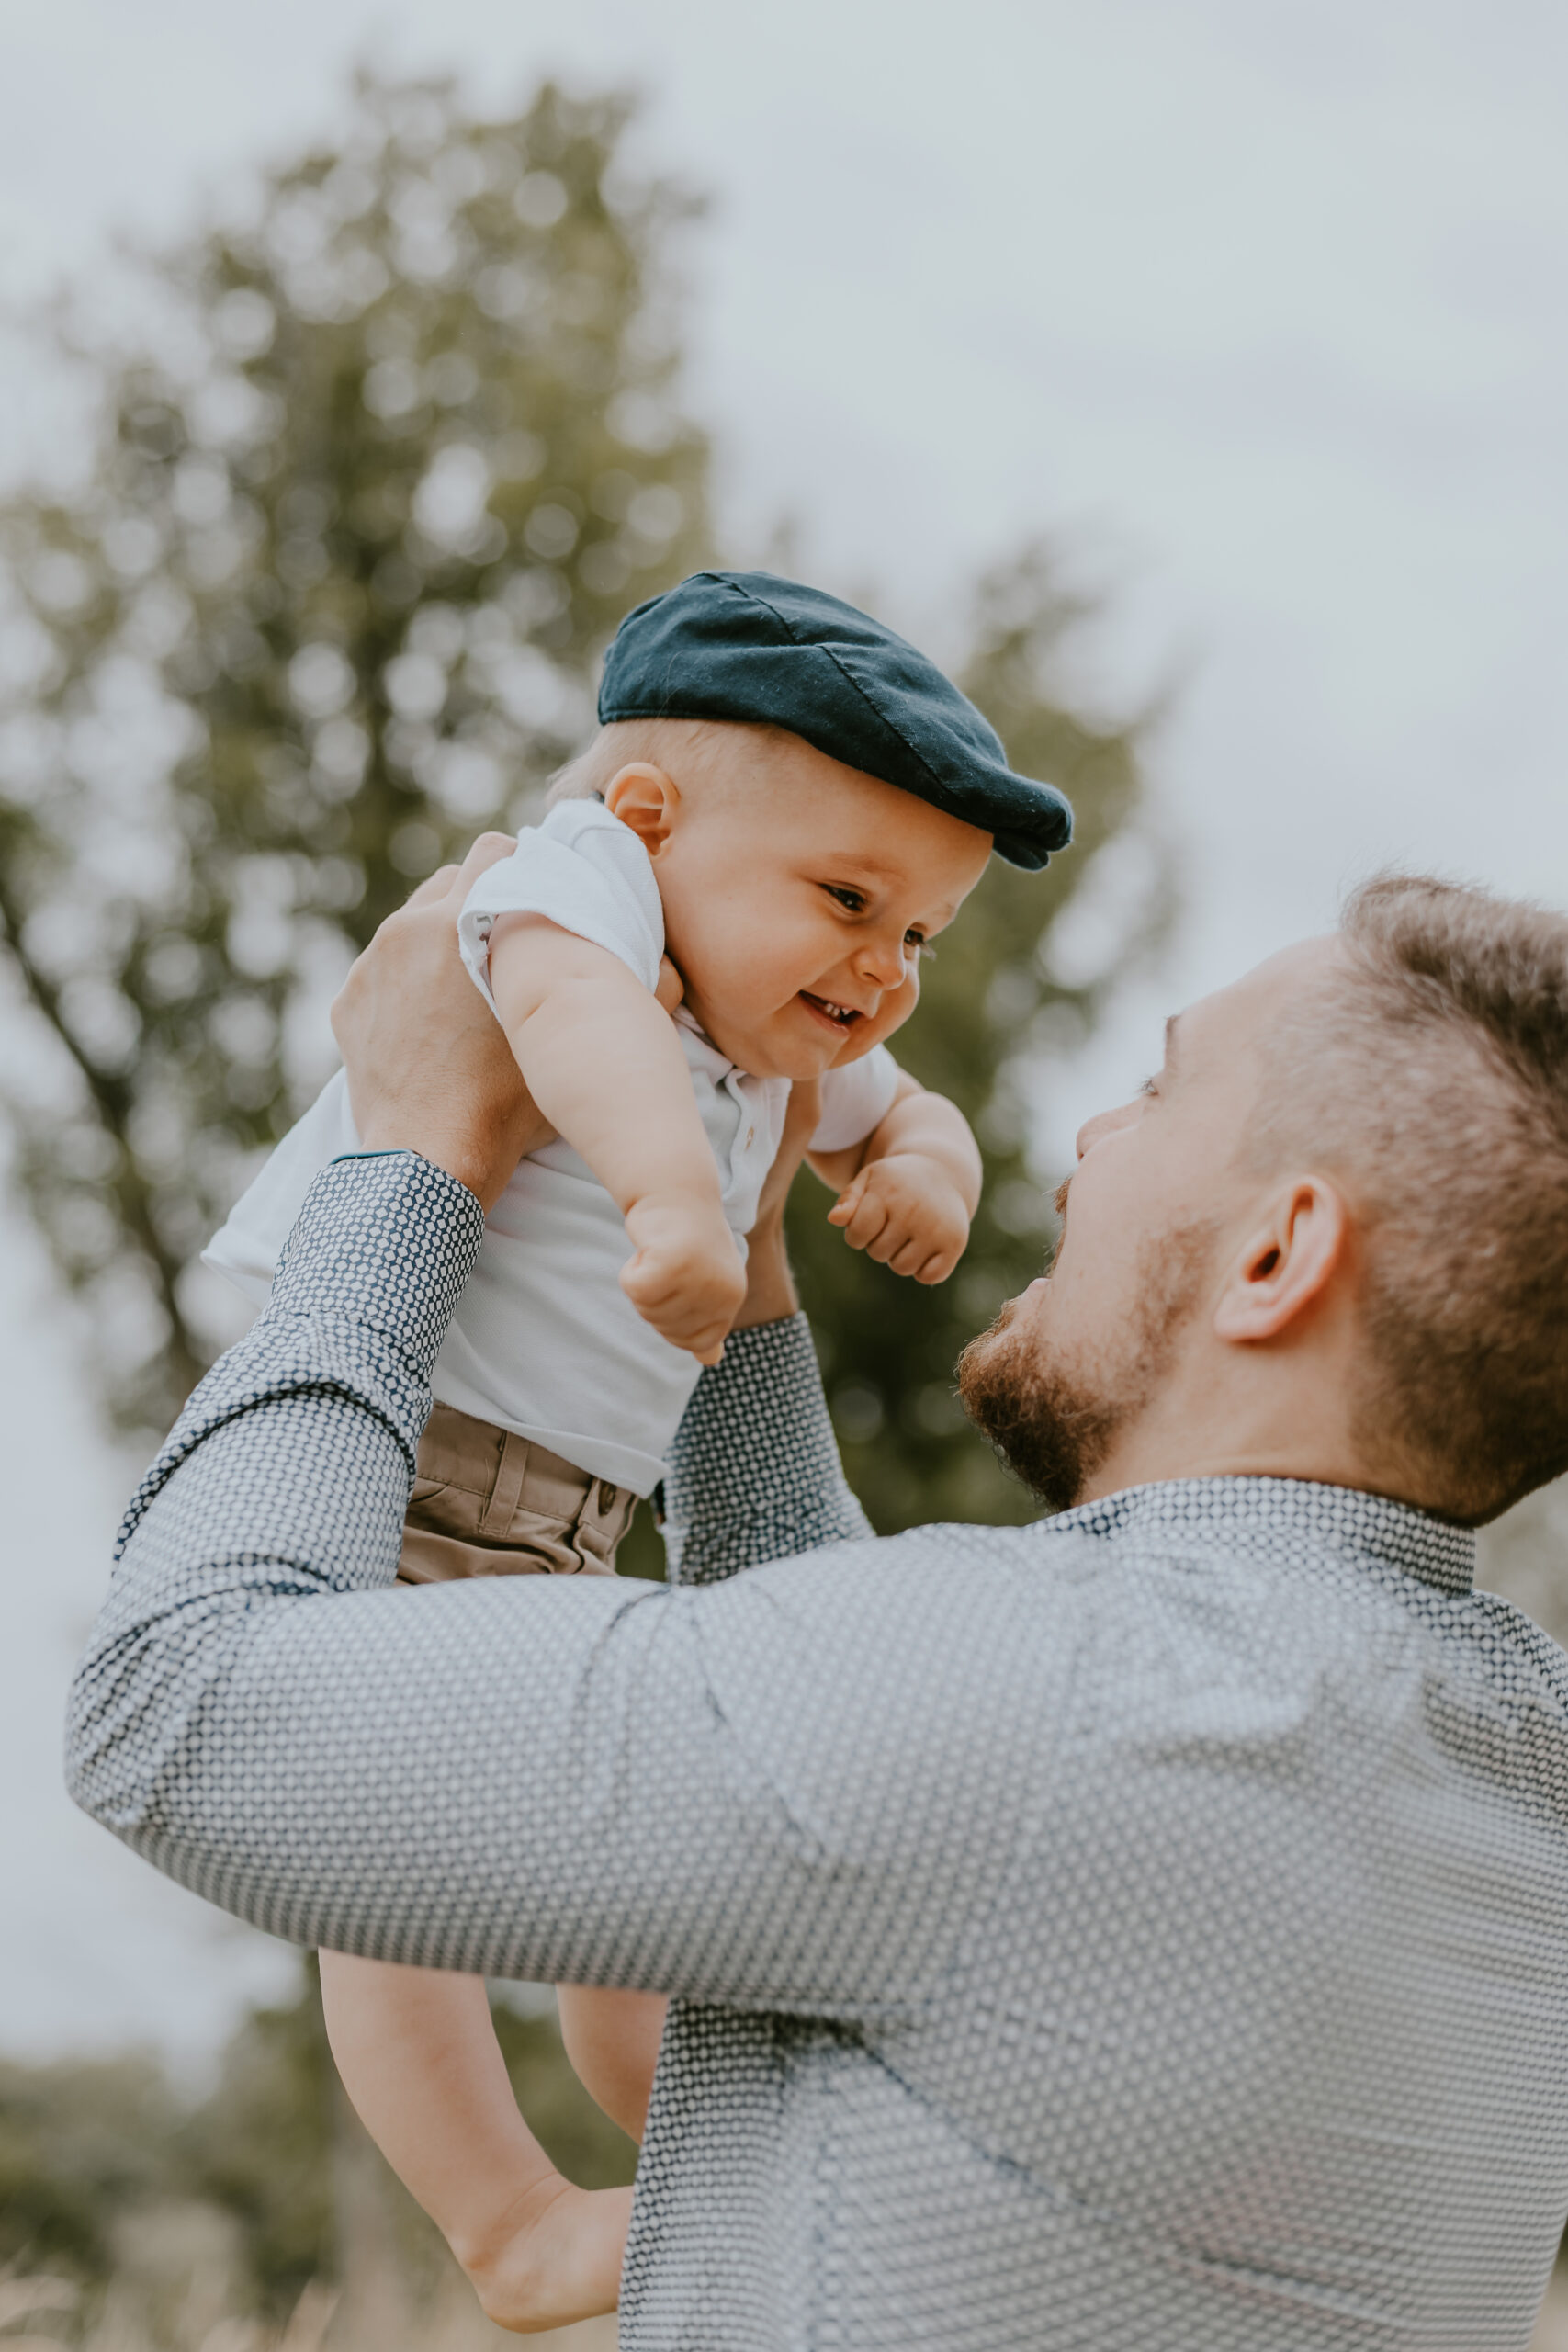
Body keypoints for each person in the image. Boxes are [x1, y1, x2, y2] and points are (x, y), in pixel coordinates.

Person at [68, 856, 1568, 2350]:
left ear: (1279, 1254)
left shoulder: (1054, 1696)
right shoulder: (1521, 1764)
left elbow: (175, 1706)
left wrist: (410, 1157)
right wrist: (749, 1258)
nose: (1087, 1145)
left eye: (1162, 1097)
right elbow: (848, 1724)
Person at [197, 571, 1070, 2324]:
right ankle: (504, 2218)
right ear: (649, 820)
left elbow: (930, 1112)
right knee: (384, 1865)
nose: (883, 971)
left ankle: (709, 2151)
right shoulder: (576, 892)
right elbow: (569, 1015)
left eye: (922, 935)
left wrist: (922, 1177)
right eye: (848, 899)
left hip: (571, 1521)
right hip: (397, 1459)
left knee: (648, 1852)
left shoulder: (780, 1033)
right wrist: (676, 1191)